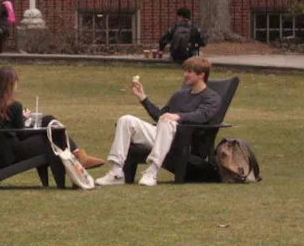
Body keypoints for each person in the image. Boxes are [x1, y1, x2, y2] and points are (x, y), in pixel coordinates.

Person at [94, 56, 225, 187]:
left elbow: (202, 116)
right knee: (126, 120)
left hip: (185, 142)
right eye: (185, 71)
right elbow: (159, 116)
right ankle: (116, 173)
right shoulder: (179, 95)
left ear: (202, 75)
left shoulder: (212, 97)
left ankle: (152, 172)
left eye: (189, 72)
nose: (185, 74)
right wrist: (143, 98)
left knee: (168, 121)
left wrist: (177, 116)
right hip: (163, 137)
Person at [0, 66, 104, 170]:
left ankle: (78, 156)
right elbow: (21, 134)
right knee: (53, 135)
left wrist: (23, 119)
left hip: (4, 149)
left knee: (48, 120)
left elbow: (9, 127)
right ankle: (78, 159)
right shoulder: (14, 106)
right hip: (16, 151)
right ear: (11, 85)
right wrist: (34, 125)